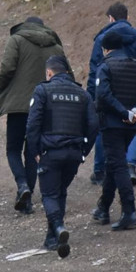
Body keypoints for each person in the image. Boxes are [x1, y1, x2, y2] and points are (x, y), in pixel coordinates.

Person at [0, 17, 69, 214]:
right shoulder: (56, 46)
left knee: (13, 149)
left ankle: (22, 186)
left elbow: (7, 68)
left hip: (19, 105)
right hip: (45, 107)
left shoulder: (17, 40)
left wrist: (3, 90)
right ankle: (27, 200)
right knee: (32, 152)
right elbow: (66, 75)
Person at [26, 56, 98, 257]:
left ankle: (58, 228)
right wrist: (84, 151)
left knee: (49, 194)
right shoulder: (82, 94)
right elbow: (93, 126)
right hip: (74, 153)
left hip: (50, 152)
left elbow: (32, 124)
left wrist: (35, 152)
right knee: (60, 192)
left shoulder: (42, 90)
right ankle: (52, 238)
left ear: (49, 73)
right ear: (67, 72)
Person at [91, 30, 136, 231]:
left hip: (111, 125)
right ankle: (103, 208)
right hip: (131, 125)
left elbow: (102, 95)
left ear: (105, 49)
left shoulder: (105, 66)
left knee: (118, 166)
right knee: (114, 163)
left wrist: (122, 112)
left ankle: (129, 210)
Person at [87, 2, 136, 186]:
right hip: (134, 90)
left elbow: (94, 70)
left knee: (105, 127)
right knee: (131, 125)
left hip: (108, 90)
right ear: (127, 17)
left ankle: (101, 170)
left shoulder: (103, 38)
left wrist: (92, 96)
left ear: (111, 18)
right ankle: (130, 165)